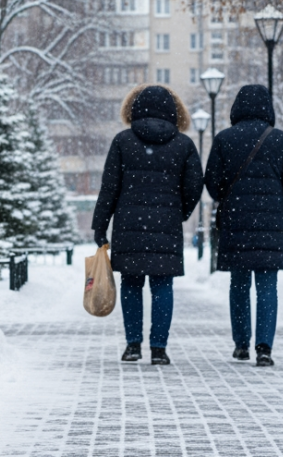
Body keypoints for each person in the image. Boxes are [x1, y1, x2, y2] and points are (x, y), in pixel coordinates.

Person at [92, 85, 204, 365]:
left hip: (129, 225)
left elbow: (109, 187)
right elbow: (194, 187)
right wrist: (179, 213)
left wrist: (100, 225)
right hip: (166, 224)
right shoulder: (184, 144)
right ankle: (159, 348)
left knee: (131, 284)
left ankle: (133, 345)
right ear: (175, 112)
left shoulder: (122, 141)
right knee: (162, 286)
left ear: (133, 109)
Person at [205, 85, 283, 368]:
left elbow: (212, 185)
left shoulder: (224, 139)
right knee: (267, 287)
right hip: (270, 227)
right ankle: (264, 347)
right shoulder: (280, 140)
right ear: (268, 107)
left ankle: (241, 344)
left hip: (235, 224)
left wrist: (228, 196)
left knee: (239, 284)